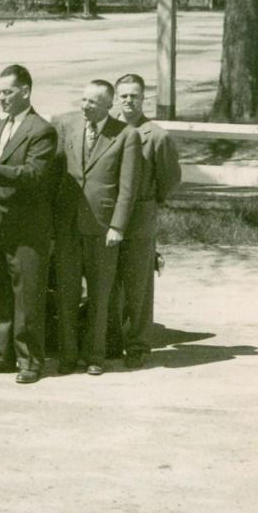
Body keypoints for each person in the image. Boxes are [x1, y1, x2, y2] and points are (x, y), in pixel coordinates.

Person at [0, 65, 57, 384]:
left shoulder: (41, 130)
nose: (1, 98)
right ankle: (0, 354)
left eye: (7, 92)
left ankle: (30, 360)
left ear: (25, 92)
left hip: (26, 230)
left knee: (27, 297)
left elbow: (33, 175)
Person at [53, 80, 142, 376]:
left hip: (103, 228)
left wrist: (117, 225)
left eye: (92, 102)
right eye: (83, 100)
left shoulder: (126, 135)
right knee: (66, 293)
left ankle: (95, 356)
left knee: (100, 296)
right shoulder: (70, 129)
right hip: (68, 226)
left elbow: (127, 189)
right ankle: (68, 356)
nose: (84, 106)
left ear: (108, 104)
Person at [107, 73, 181, 368]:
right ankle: (111, 340)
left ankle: (137, 345)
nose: (128, 101)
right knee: (108, 283)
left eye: (134, 95)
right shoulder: (108, 128)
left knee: (137, 285)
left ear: (143, 98)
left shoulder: (156, 135)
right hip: (108, 217)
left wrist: (150, 202)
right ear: (116, 97)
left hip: (139, 218)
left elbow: (169, 179)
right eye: (123, 95)